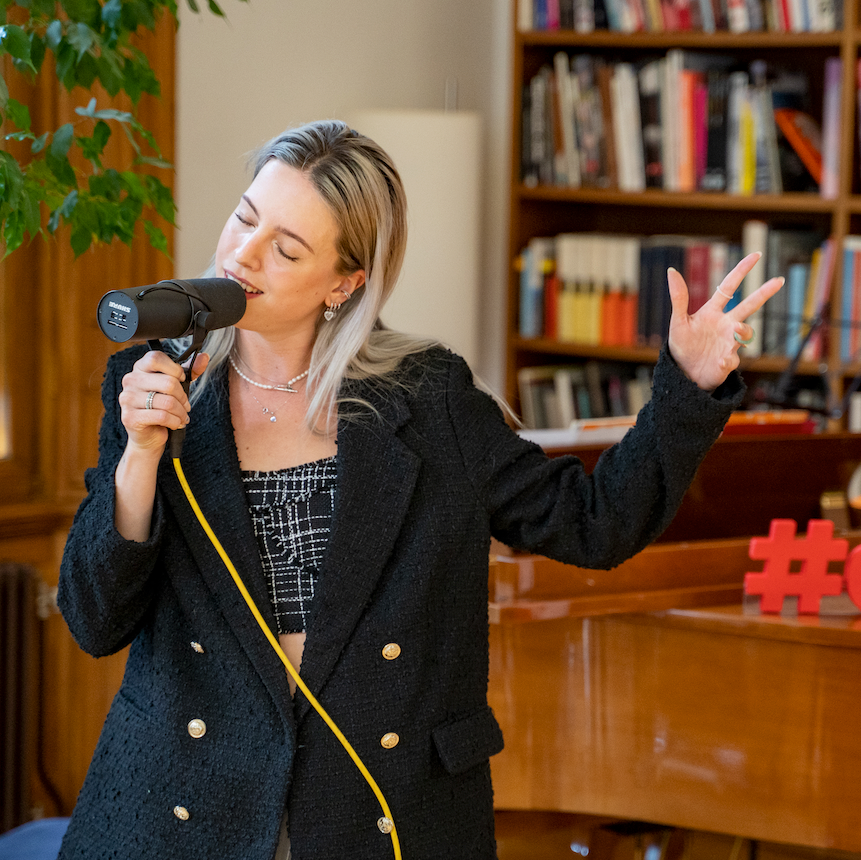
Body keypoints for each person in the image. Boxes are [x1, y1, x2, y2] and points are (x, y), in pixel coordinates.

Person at [55, 120, 782, 860]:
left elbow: (595, 524)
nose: (243, 254)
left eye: (286, 247)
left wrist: (686, 389)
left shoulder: (428, 399)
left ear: (346, 281)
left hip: (380, 806)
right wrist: (140, 458)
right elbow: (94, 622)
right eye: (245, 218)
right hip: (186, 810)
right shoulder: (151, 386)